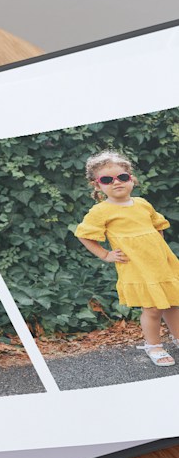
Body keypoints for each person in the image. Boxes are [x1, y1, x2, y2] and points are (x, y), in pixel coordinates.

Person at [75, 149, 179, 367]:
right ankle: (154, 346)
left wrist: (158, 249)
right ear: (97, 185)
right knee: (152, 308)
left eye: (122, 177)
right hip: (136, 266)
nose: (116, 182)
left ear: (131, 178)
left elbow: (157, 227)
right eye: (107, 179)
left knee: (173, 303)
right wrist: (105, 254)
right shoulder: (101, 211)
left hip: (161, 263)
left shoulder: (142, 203)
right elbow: (84, 235)